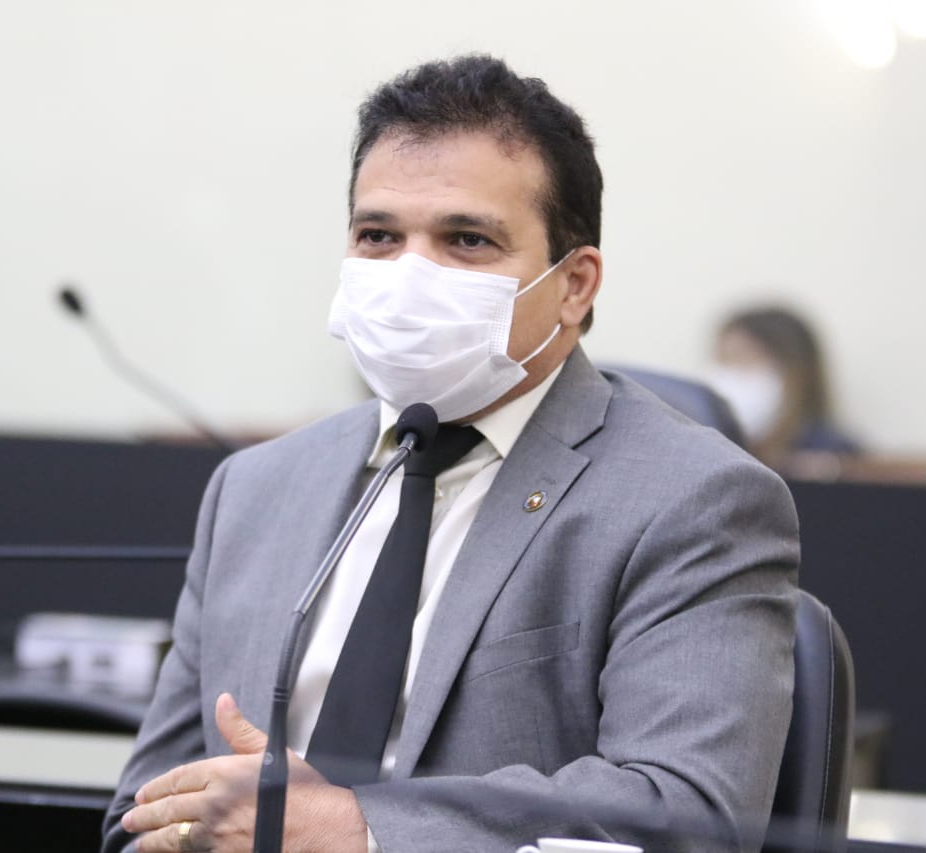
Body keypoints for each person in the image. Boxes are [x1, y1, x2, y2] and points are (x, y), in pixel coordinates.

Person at [104, 56, 799, 853]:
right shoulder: (256, 488)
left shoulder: (694, 499)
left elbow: (687, 812)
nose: (411, 274)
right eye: (378, 236)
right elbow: (138, 814)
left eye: (467, 239)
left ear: (574, 285)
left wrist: (360, 833)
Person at [707, 306, 862, 470]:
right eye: (723, 360)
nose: (729, 375)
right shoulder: (713, 450)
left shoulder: (836, 455)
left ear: (794, 372)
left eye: (743, 358)